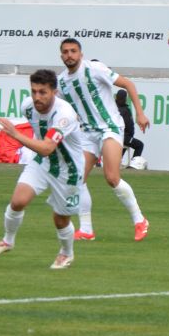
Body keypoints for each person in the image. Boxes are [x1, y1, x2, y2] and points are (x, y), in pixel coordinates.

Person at [0, 69, 91, 270]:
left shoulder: (65, 115)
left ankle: (66, 253)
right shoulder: (28, 107)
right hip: (43, 163)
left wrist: (15, 134)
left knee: (60, 219)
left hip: (68, 171)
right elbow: (43, 151)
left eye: (42, 92)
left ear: (54, 92)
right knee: (18, 201)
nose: (37, 97)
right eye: (34, 91)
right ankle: (7, 241)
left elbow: (47, 147)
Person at [56, 38, 150, 241]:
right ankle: (87, 229)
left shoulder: (94, 68)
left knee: (111, 177)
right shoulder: (62, 82)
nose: (69, 55)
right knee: (77, 178)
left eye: (73, 51)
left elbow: (128, 84)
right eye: (65, 51)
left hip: (110, 127)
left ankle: (139, 220)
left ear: (81, 54)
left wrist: (140, 113)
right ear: (61, 55)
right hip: (87, 134)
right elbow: (63, 112)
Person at [116, 88, 145, 169]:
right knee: (139, 145)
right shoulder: (124, 110)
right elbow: (128, 125)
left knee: (125, 144)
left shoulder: (113, 108)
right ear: (125, 98)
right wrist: (129, 135)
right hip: (124, 136)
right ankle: (133, 166)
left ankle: (116, 163)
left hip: (116, 136)